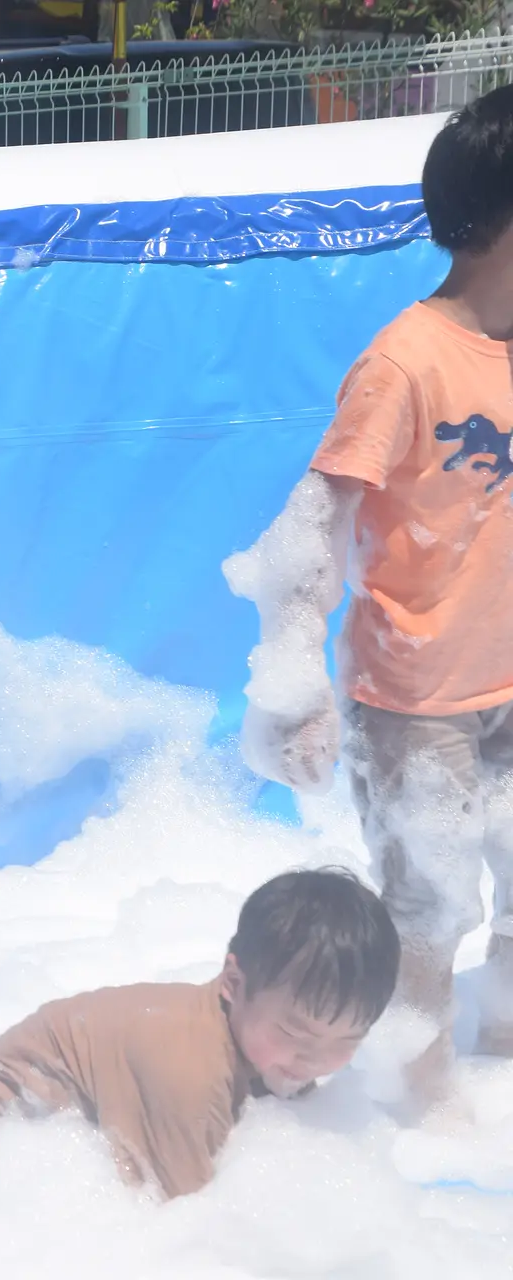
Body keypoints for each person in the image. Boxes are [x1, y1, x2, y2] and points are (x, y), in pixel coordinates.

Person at [228, 86, 513, 1116]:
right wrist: (295, 683)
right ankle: (423, 1111)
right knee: (429, 912)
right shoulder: (405, 362)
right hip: (415, 699)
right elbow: (314, 524)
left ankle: (500, 1069)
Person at [0, 868, 399, 1199]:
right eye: (295, 1033)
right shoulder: (189, 1071)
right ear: (233, 983)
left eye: (348, 1040)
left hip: (75, 1106)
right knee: (130, 1200)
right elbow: (188, 1228)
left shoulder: (263, 1040)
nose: (315, 1060)